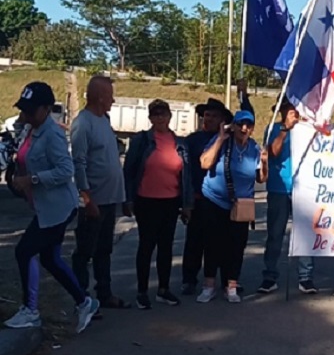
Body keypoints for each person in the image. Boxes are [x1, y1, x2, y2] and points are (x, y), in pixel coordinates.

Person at [4, 83, 100, 333]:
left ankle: (30, 311)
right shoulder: (29, 129)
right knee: (50, 258)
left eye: (31, 110)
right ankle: (84, 302)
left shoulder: (52, 134)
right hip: (45, 207)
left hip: (58, 209)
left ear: (47, 109)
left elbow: (65, 170)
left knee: (24, 251)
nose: (26, 114)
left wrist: (33, 180)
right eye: (23, 109)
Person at [181, 90, 253, 295]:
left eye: (213, 116)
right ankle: (189, 278)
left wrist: (243, 96)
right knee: (195, 242)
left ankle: (225, 280)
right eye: (206, 115)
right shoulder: (193, 140)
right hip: (198, 198)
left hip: (221, 200)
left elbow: (248, 121)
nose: (208, 119)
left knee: (222, 243)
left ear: (223, 120)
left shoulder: (229, 139)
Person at [122, 100, 193, 309]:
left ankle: (163, 289)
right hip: (146, 201)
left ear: (170, 116)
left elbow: (186, 175)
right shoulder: (142, 141)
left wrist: (187, 205)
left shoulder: (179, 143)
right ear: (150, 117)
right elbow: (129, 172)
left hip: (170, 202)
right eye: (155, 114)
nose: (159, 118)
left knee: (166, 247)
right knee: (146, 246)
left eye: (163, 114)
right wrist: (128, 200)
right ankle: (142, 291)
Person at [196, 110, 268, 303]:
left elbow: (261, 178)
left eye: (249, 125)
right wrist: (219, 139)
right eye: (240, 124)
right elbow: (204, 163)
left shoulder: (254, 148)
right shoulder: (221, 142)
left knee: (236, 246)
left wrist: (264, 163)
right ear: (233, 125)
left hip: (240, 205)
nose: (244, 128)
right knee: (212, 244)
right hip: (214, 200)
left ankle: (231, 286)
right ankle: (208, 286)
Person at [71, 76, 129, 310]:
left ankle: (104, 294)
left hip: (109, 200)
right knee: (85, 251)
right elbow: (78, 164)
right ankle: (81, 299)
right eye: (111, 95)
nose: (113, 100)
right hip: (92, 202)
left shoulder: (104, 120)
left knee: (105, 249)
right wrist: (87, 198)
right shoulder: (83, 124)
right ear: (100, 97)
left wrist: (122, 198)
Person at [259, 100, 317, 295]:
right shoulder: (272, 128)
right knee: (275, 234)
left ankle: (305, 277)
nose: (293, 113)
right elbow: (273, 153)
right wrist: (285, 129)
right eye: (288, 110)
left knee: (304, 234)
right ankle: (269, 276)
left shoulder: (307, 130)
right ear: (281, 111)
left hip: (304, 189)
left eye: (295, 110)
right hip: (279, 188)